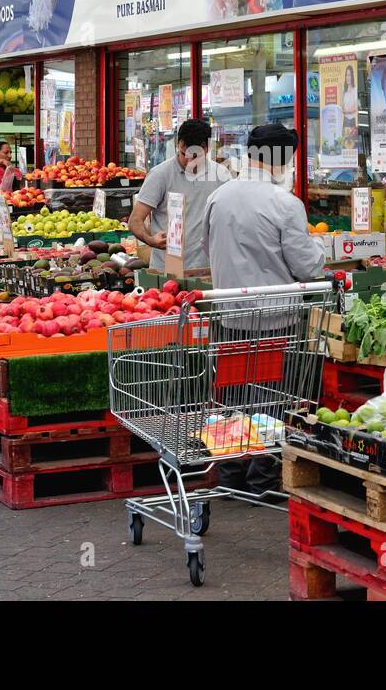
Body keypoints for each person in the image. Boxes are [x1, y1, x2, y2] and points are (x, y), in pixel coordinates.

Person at [202, 123, 327, 497]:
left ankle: (229, 477)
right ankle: (262, 482)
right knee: (270, 400)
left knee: (232, 398)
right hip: (275, 319)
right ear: (283, 158)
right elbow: (308, 267)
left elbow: (209, 249)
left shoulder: (218, 197)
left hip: (227, 316)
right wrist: (321, 251)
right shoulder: (285, 204)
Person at [128, 119, 230, 272]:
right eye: (184, 154)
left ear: (207, 148)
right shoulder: (160, 175)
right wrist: (151, 240)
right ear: (178, 144)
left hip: (209, 268)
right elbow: (135, 220)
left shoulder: (221, 175)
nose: (189, 160)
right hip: (167, 270)